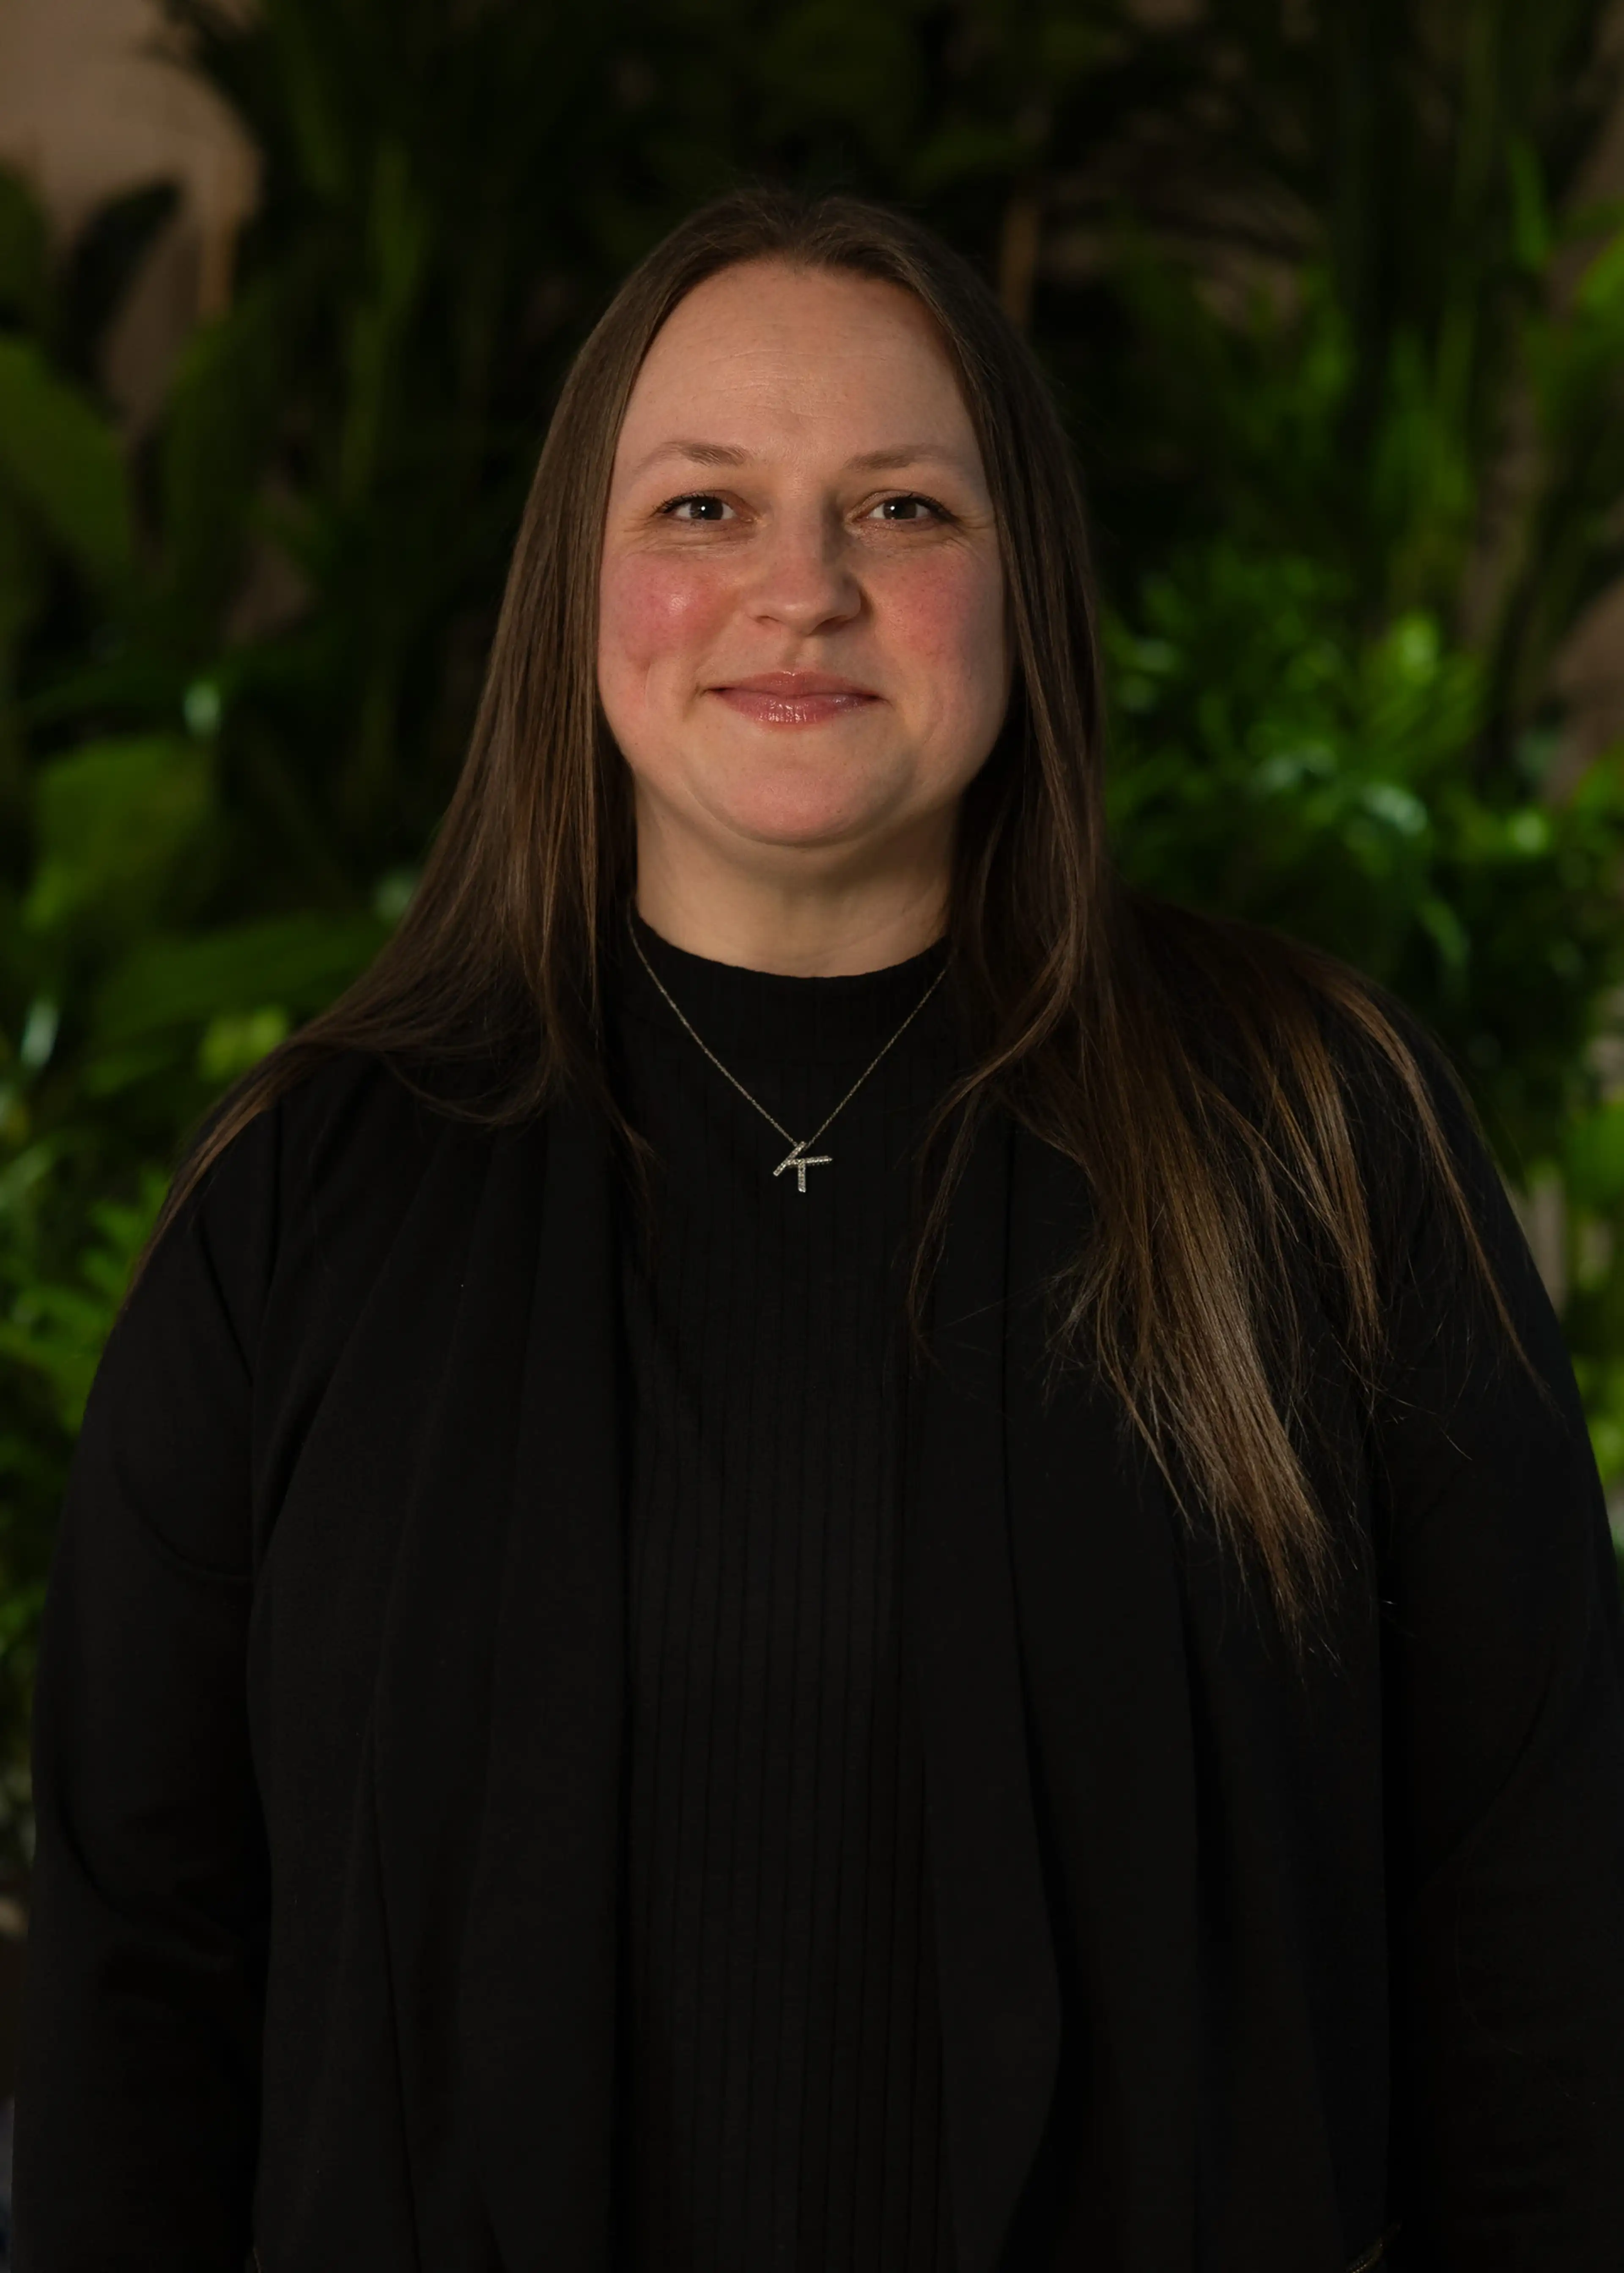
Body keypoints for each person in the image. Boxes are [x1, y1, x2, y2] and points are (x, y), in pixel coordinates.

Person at [12, 187, 1624, 2273]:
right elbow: (139, 1983)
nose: (803, 591)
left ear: (1027, 584)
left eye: (901, 510)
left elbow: (1544, 1938)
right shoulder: (304, 1195)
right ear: (577, 586)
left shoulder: (1312, 1131)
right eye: (703, 508)